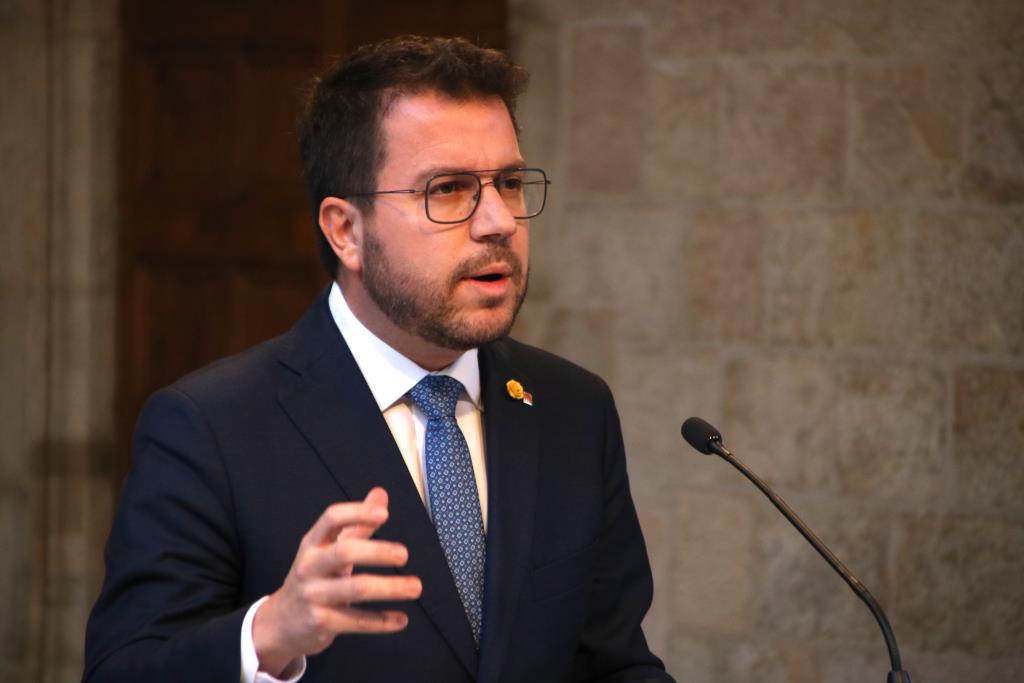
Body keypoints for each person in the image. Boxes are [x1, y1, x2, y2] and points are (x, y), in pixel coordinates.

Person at [83, 35, 673, 683]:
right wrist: (269, 634)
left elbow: (613, 662)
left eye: (508, 181)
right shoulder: (211, 427)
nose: (499, 220)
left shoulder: (572, 407)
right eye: (448, 189)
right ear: (345, 230)